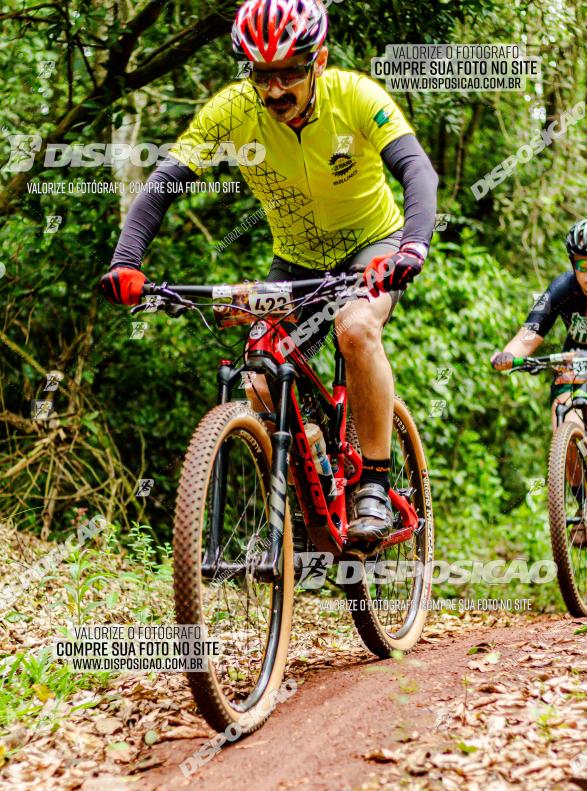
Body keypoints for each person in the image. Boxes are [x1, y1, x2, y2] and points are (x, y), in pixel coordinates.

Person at [100, 0, 438, 543]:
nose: (275, 89)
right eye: (263, 74)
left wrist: (412, 247)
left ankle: (373, 480)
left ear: (319, 61)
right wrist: (126, 261)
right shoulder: (233, 110)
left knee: (355, 328)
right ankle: (315, 477)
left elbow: (415, 167)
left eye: (289, 73)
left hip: (372, 245)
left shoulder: (356, 97)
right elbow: (166, 180)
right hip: (295, 258)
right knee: (258, 379)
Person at [492, 219, 587, 544]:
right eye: (583, 265)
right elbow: (529, 334)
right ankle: (584, 507)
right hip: (573, 364)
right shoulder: (562, 289)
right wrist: (508, 355)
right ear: (573, 264)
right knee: (563, 419)